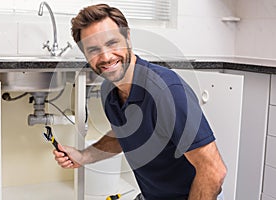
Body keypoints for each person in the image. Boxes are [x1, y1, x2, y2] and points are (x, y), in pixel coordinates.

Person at [53, 4, 227, 200]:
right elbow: (124, 134)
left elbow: (213, 172)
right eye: (93, 50)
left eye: (112, 43)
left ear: (127, 38)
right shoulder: (109, 91)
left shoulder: (167, 92)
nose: (106, 57)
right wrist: (83, 156)